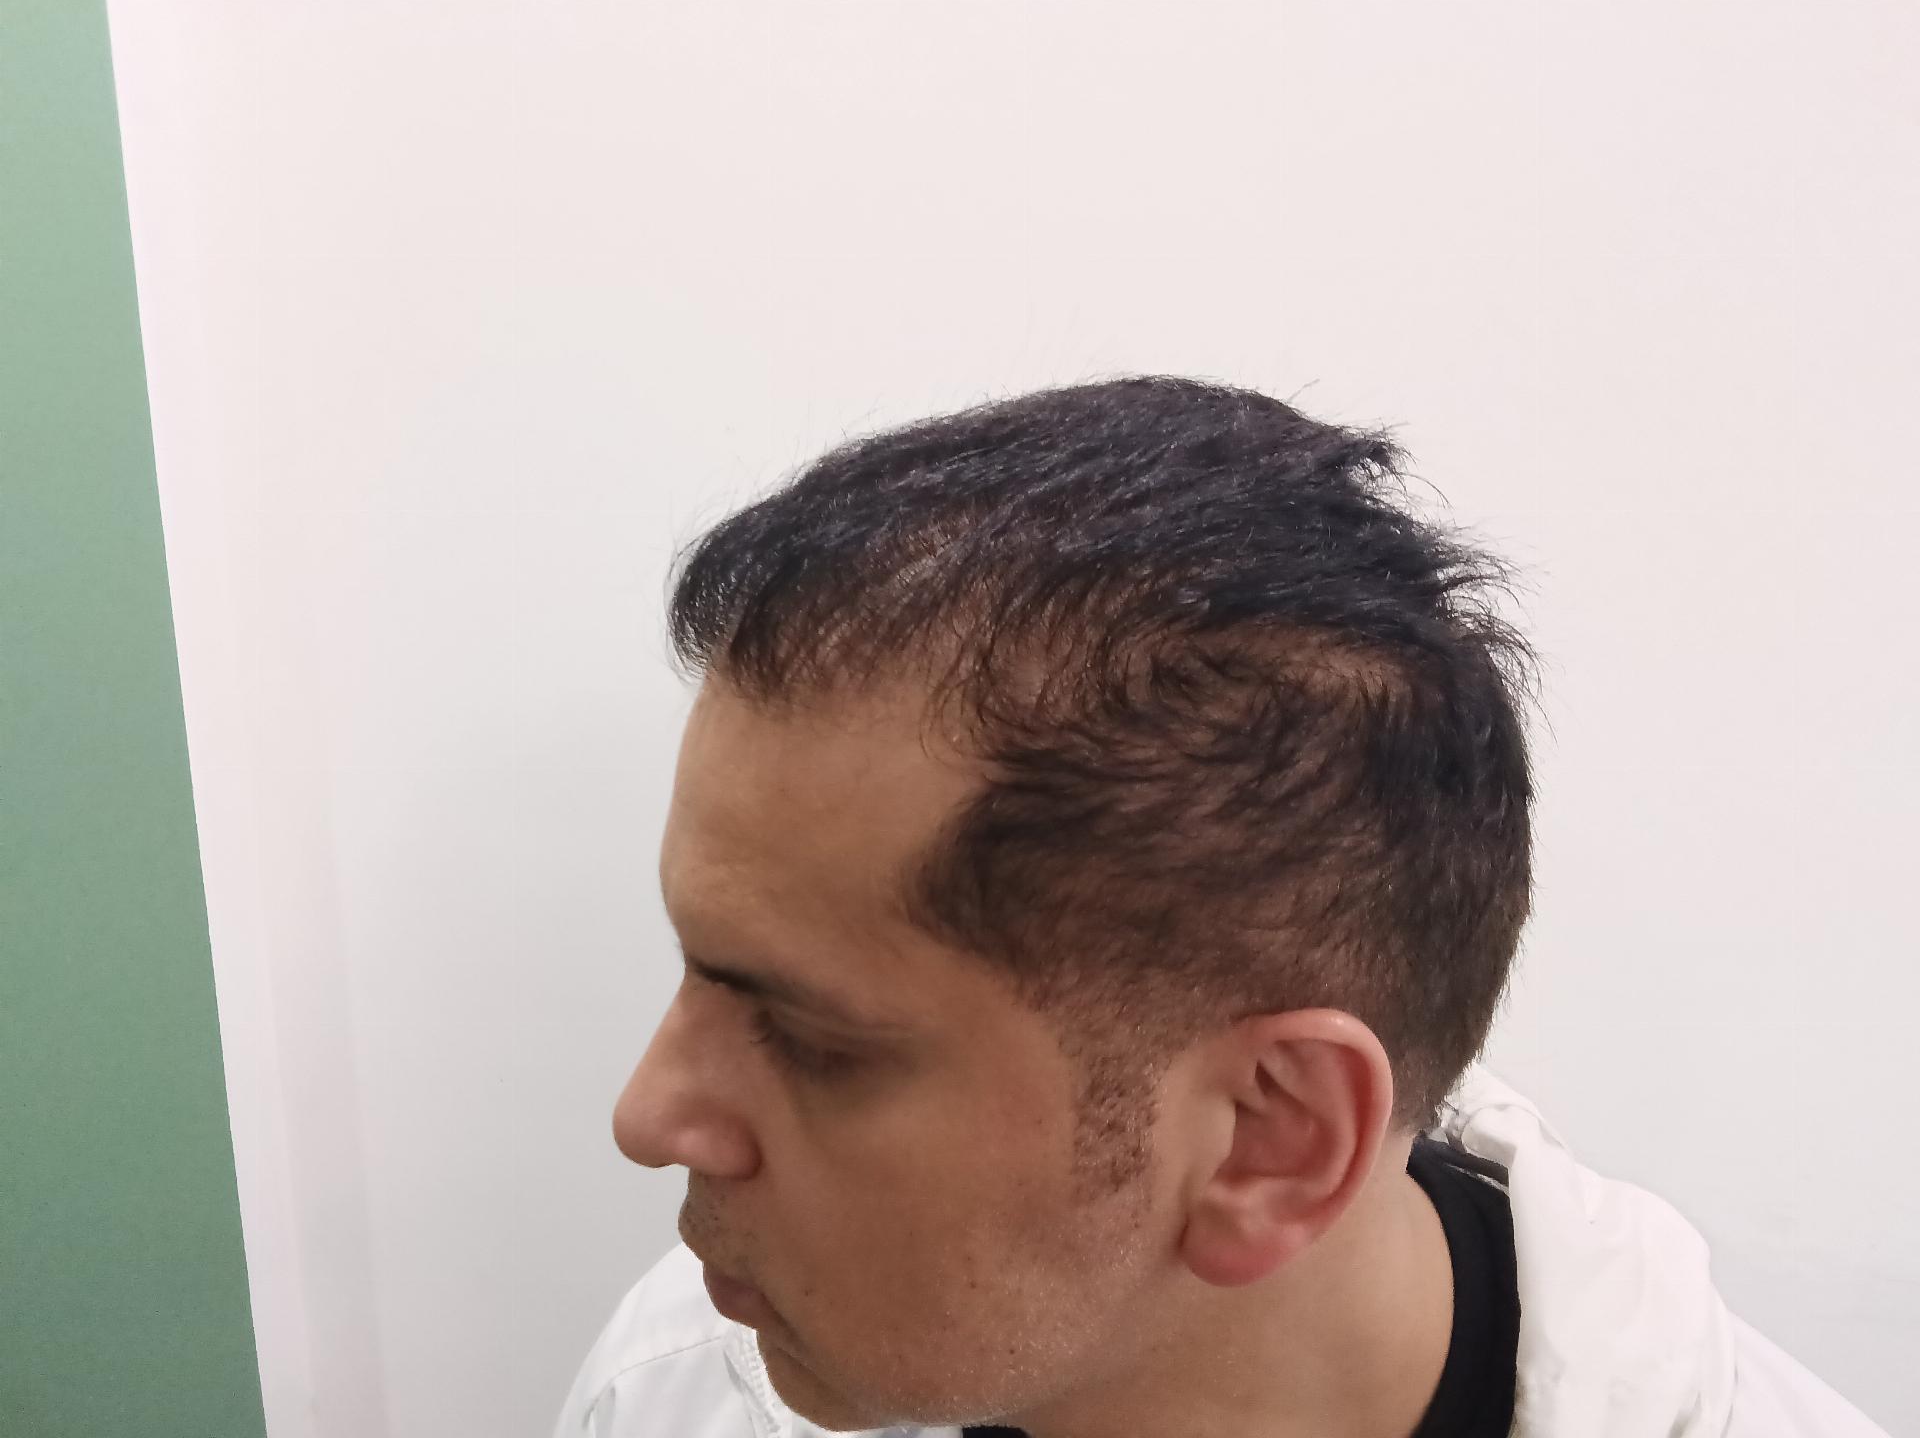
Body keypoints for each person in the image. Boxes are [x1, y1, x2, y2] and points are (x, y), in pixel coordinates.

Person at [551, 377, 1884, 1438]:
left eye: (815, 1041)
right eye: (697, 968)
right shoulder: (682, 1386)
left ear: (1271, 1138)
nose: (646, 1115)